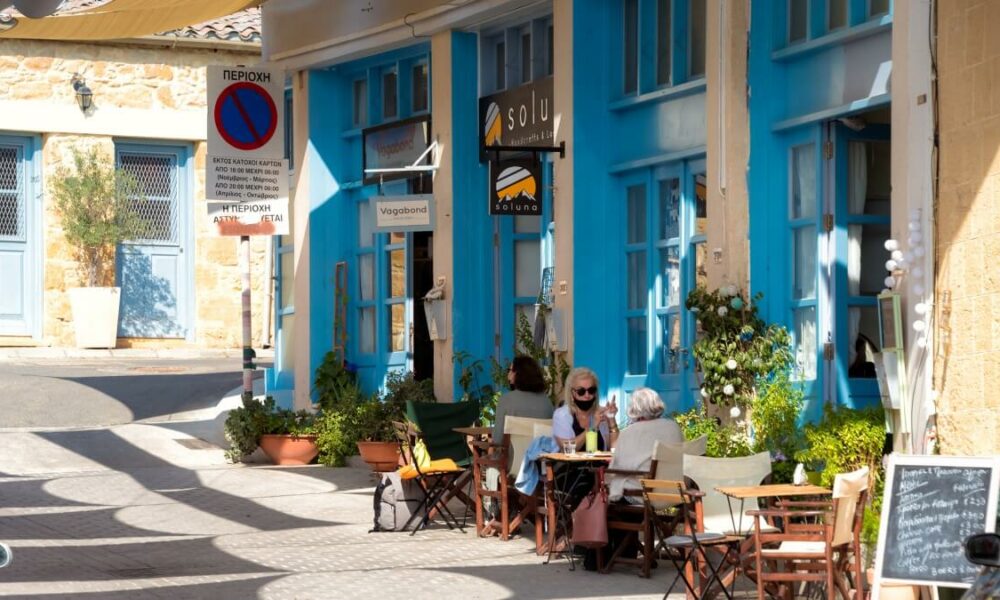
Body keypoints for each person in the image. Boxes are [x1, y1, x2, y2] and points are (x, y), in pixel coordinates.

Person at [606, 387, 682, 502]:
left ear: (633, 408)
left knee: (605, 482)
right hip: (675, 490)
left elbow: (618, 465)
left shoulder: (631, 432)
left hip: (643, 492)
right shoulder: (673, 427)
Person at [553, 367, 619, 452]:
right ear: (572, 393)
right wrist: (592, 427)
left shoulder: (600, 413)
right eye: (581, 391)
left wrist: (611, 419)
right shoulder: (561, 415)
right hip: (570, 464)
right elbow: (568, 450)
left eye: (591, 390)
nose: (587, 395)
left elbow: (614, 449)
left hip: (599, 464)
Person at [492, 355, 554, 444]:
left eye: (510, 370)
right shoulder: (547, 402)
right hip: (540, 456)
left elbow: (497, 439)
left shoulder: (505, 400)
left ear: (517, 374)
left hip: (512, 457)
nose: (508, 374)